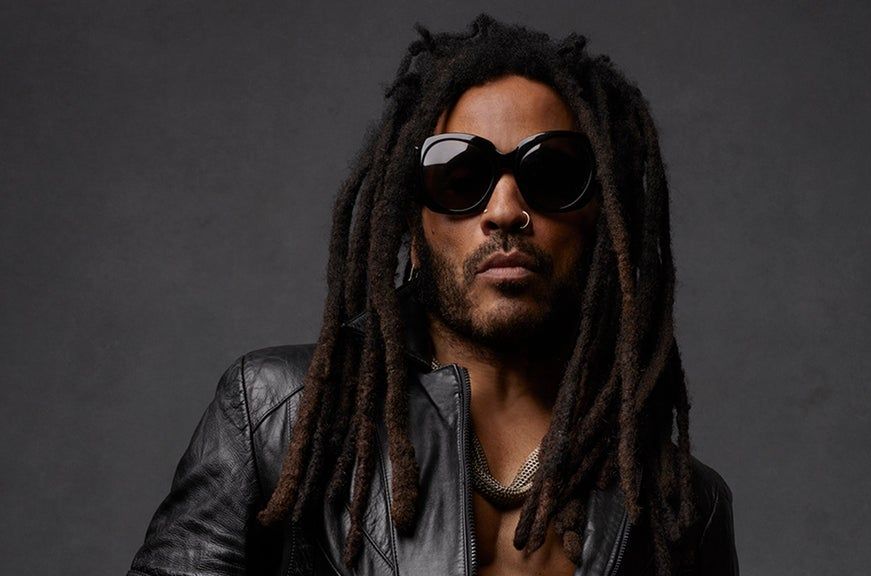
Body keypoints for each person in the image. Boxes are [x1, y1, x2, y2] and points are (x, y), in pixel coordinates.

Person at [128, 13, 739, 576]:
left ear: (604, 225)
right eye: (461, 178)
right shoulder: (276, 415)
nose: (504, 211)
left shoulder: (681, 504)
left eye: (552, 174)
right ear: (411, 227)